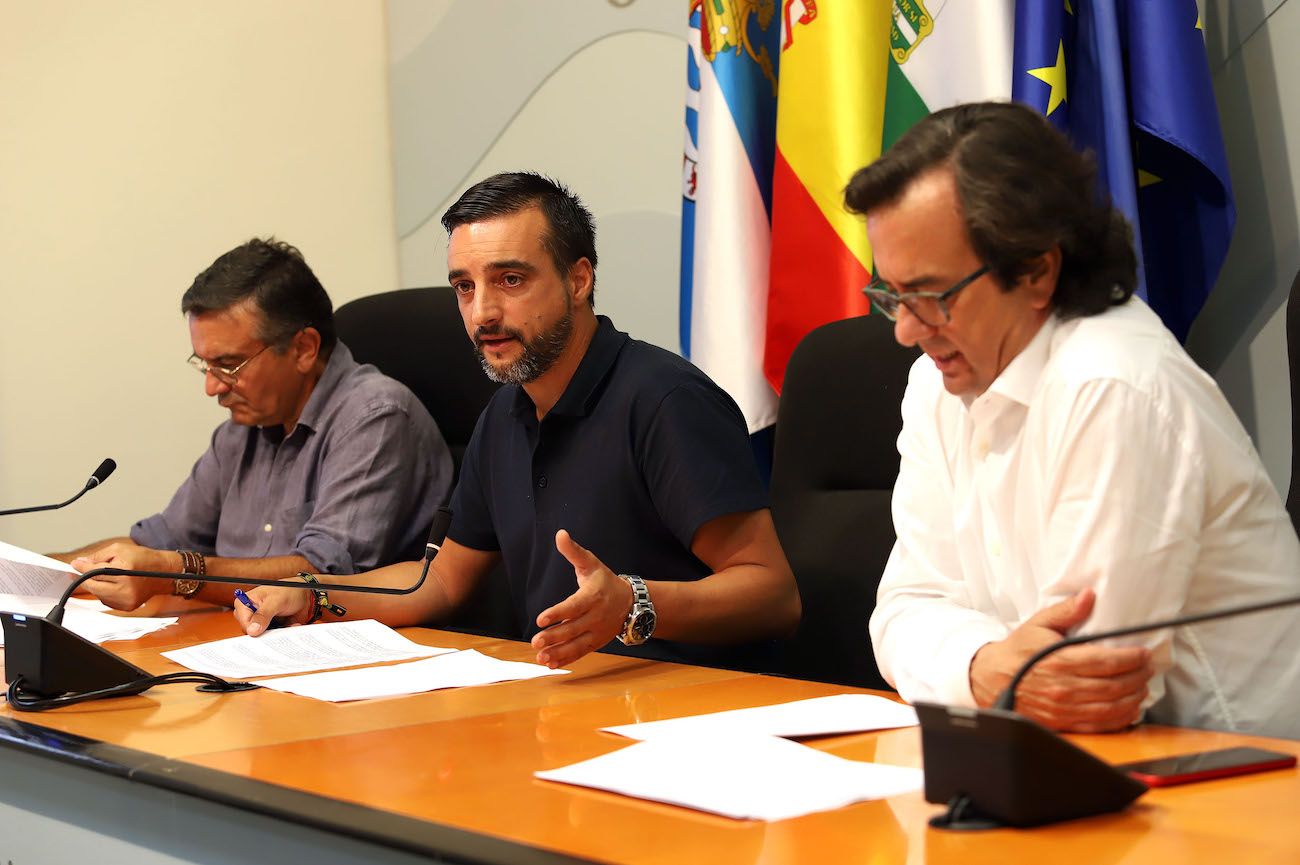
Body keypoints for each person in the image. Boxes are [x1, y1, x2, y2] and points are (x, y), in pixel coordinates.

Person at [855, 101, 1300, 738]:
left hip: (1242, 779)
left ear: (1037, 270)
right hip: (1081, 762)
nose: (904, 331)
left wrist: (974, 667)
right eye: (893, 296)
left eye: (930, 296)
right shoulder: (936, 382)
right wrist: (984, 667)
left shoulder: (1112, 381)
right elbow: (902, 608)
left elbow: (1089, 683)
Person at [236, 173, 801, 670]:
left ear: (578, 280)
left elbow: (773, 596)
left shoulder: (665, 400)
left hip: (684, 711)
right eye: (464, 286)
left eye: (510, 280)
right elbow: (438, 582)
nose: (481, 312)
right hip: (556, 699)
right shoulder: (504, 413)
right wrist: (310, 595)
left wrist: (633, 602)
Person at [60, 238, 453, 610]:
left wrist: (175, 573)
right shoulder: (241, 429)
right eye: (205, 365)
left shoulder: (375, 416)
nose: (212, 387)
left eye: (229, 365)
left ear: (303, 349)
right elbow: (157, 543)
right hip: (240, 643)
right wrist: (41, 570)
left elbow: (321, 576)